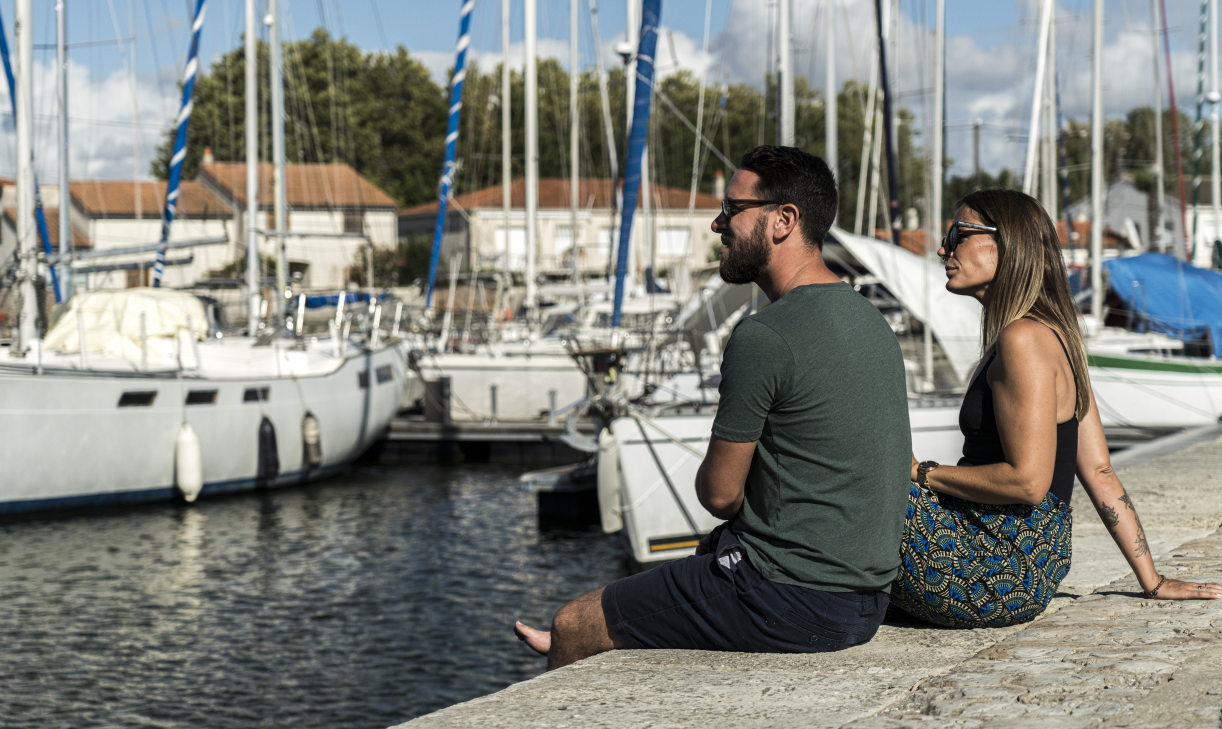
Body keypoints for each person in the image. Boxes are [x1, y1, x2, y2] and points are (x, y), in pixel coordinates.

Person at [515, 145, 912, 669]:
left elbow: (720, 494)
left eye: (732, 208)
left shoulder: (766, 334)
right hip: (866, 602)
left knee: (573, 624)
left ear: (782, 220)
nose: (716, 223)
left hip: (786, 598)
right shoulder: (872, 323)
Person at [897, 188, 1222, 628]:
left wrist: (920, 473)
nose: (943, 248)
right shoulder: (1057, 336)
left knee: (858, 482)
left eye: (958, 235)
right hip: (1032, 570)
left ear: (1007, 243)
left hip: (992, 563)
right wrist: (1153, 580)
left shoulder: (1022, 340)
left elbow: (1029, 483)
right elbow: (1099, 471)